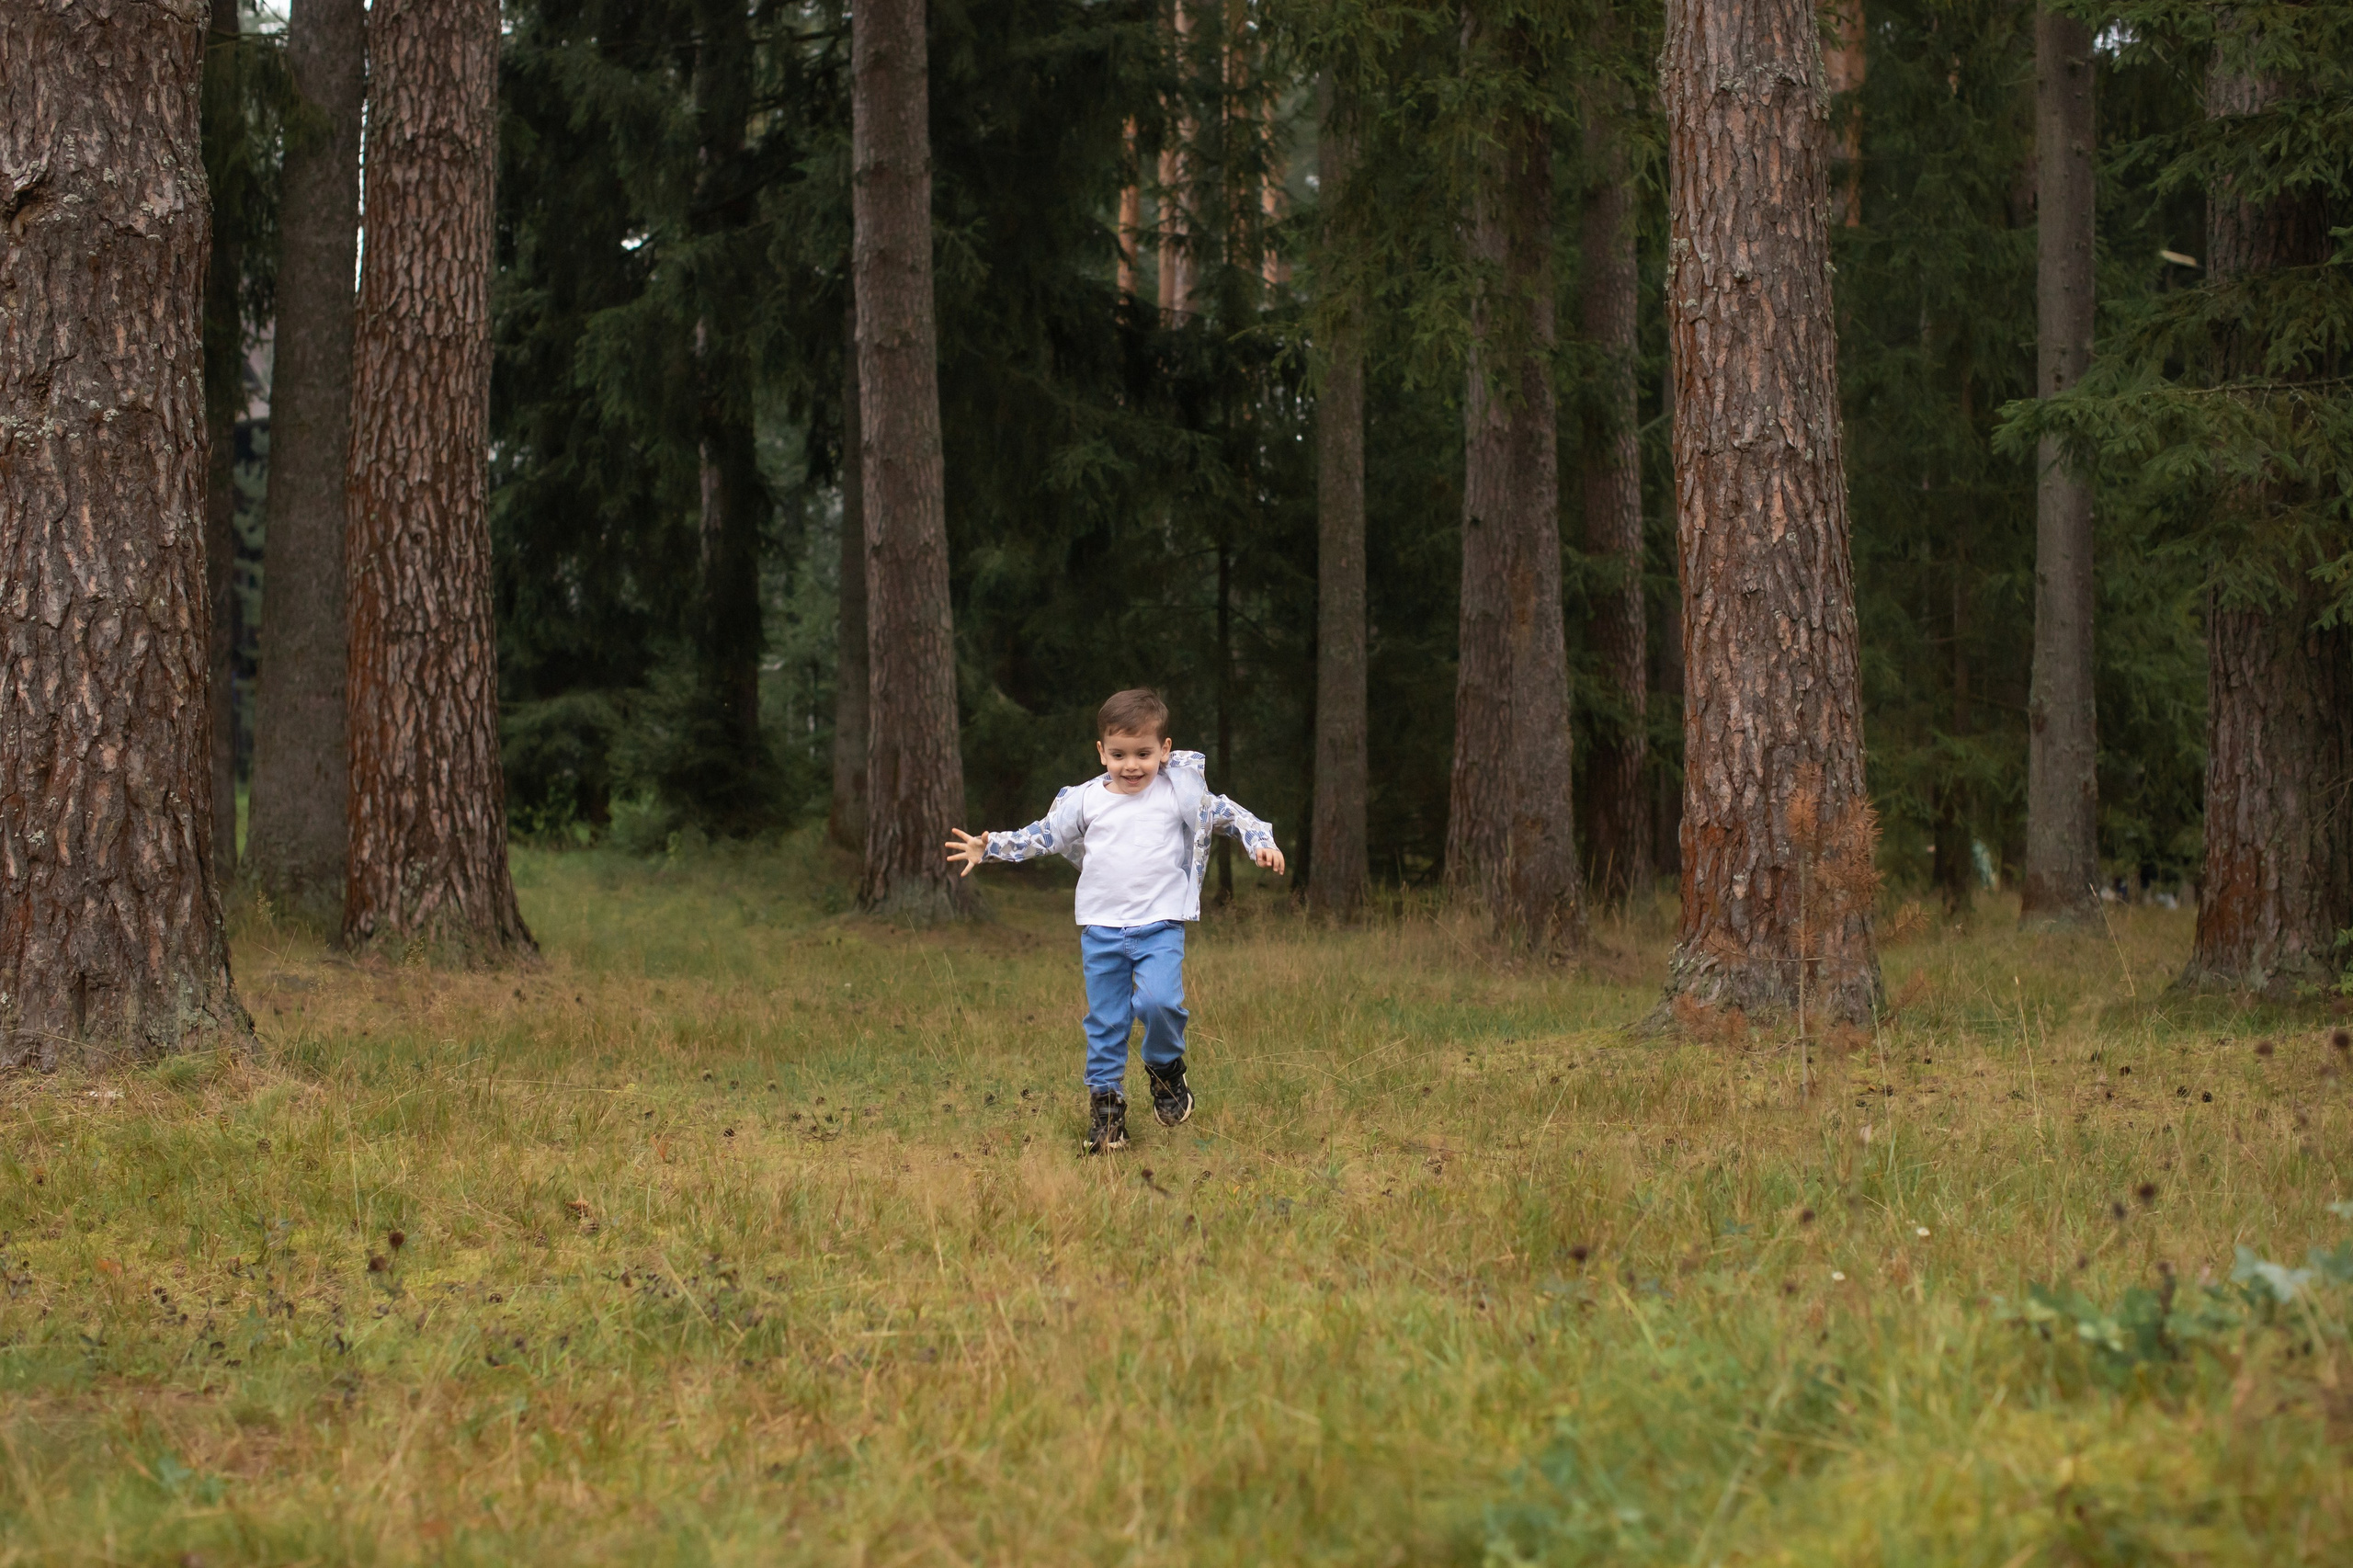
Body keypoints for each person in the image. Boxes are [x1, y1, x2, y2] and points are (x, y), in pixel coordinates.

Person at [944, 688, 1285, 1153]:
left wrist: (1261, 843)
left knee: (1160, 1003)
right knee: (1106, 1022)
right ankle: (1107, 1114)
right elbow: (1043, 835)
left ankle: (1165, 1071)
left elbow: (1232, 814)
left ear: (1164, 750)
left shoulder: (1179, 793)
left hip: (1159, 926)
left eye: (1143, 753)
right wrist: (990, 848)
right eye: (1119, 754)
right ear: (1102, 752)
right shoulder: (1085, 800)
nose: (1131, 766)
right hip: (1101, 929)